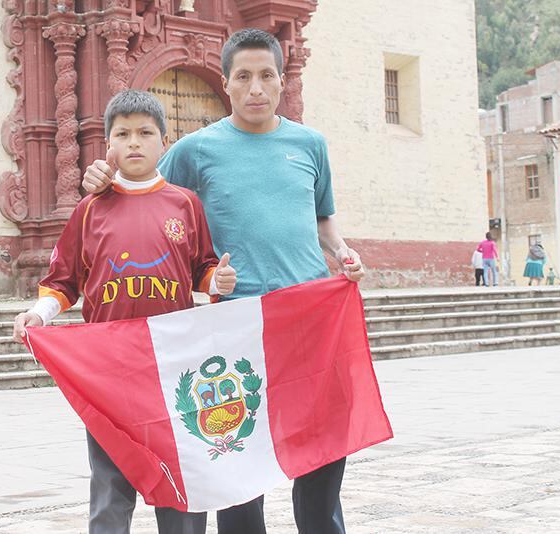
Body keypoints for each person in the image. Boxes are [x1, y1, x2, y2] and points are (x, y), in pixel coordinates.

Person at [83, 28, 364, 534]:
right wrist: (101, 179)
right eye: (243, 77)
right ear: (227, 83)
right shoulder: (196, 149)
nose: (256, 88)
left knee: (323, 444)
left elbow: (322, 220)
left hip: (309, 317)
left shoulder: (310, 144)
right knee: (236, 449)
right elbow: (145, 191)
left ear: (281, 81)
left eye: (266, 76)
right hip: (237, 325)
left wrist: (342, 252)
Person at [14, 90, 237, 534]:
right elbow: (63, 280)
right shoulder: (90, 208)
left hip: (173, 364)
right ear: (109, 145)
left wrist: (216, 282)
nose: (134, 142)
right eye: (123, 134)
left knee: (177, 469)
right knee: (111, 477)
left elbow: (202, 268)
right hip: (109, 367)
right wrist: (40, 313)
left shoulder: (185, 204)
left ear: (164, 141)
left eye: (145, 133)